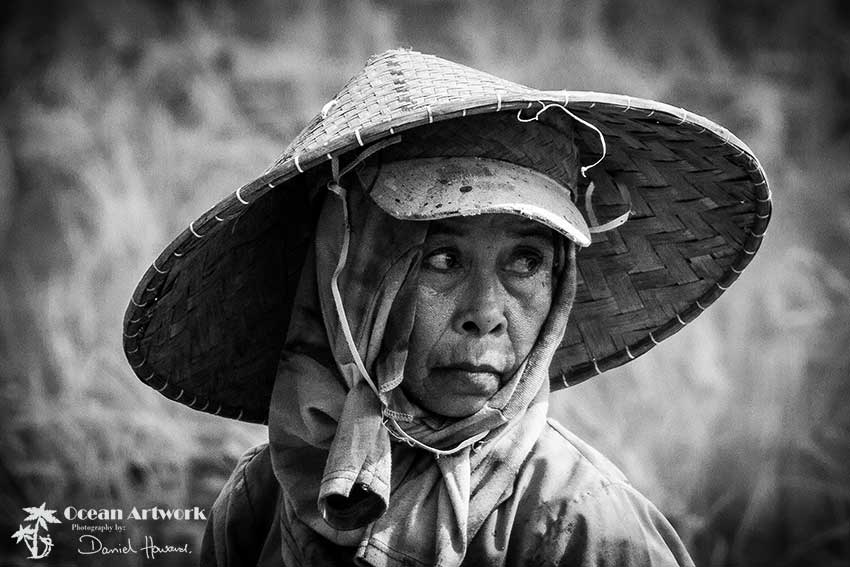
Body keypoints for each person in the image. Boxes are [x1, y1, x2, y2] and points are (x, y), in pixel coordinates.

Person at [123, 49, 771, 566]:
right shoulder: (262, 496)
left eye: (526, 261)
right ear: (349, 277)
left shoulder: (580, 524)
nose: (486, 313)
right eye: (440, 258)